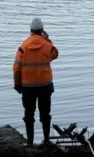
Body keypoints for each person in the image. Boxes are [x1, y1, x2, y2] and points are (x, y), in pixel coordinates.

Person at [13, 18, 59, 146]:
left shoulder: (23, 46)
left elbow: (17, 68)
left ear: (30, 30)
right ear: (42, 30)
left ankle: (30, 142)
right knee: (45, 113)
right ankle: (46, 140)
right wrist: (48, 40)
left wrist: (17, 84)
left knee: (29, 114)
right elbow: (55, 54)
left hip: (28, 87)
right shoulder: (47, 45)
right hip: (45, 86)